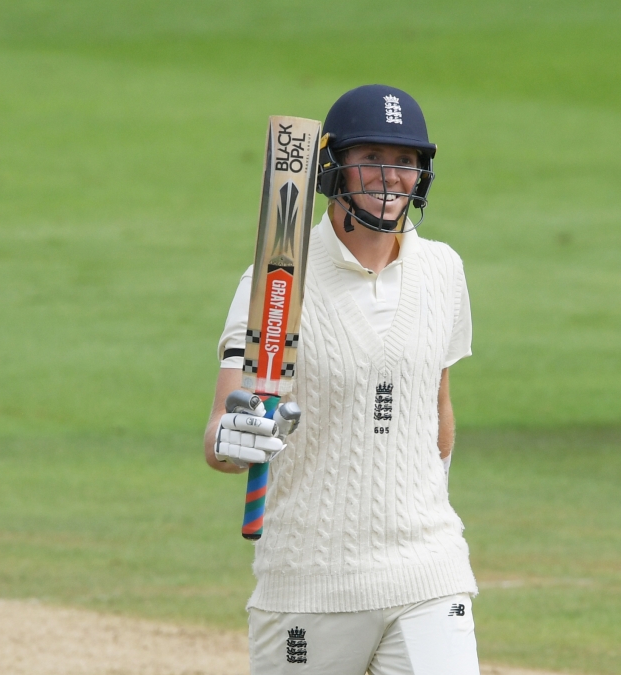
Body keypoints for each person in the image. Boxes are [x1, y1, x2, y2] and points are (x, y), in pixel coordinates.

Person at [203, 84, 479, 675]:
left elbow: (438, 413)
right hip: (309, 585)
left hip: (427, 569)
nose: (390, 177)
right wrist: (240, 436)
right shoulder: (276, 281)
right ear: (334, 167)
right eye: (372, 159)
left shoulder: (443, 271)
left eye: (405, 162)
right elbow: (218, 441)